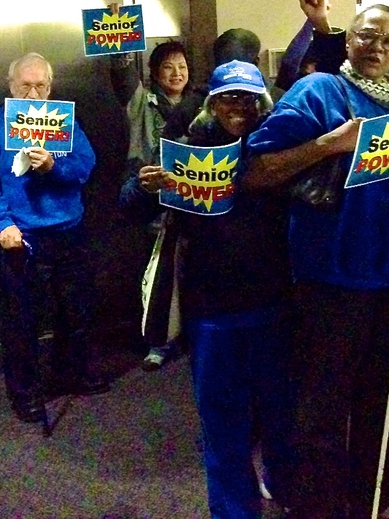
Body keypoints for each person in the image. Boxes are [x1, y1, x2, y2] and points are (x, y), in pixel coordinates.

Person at [241, 3, 389, 519]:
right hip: (329, 277)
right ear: (348, 39)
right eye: (366, 36)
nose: (376, 48)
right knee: (322, 407)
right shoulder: (319, 91)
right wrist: (329, 143)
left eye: (388, 42)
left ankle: (377, 496)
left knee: (386, 397)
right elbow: (256, 171)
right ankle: (318, 507)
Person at [131, 59, 296, 518]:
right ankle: (233, 511)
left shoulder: (276, 149)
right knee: (223, 423)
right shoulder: (184, 149)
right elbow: (127, 208)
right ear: (211, 103)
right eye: (228, 98)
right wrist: (145, 187)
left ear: (262, 103)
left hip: (273, 305)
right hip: (212, 314)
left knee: (283, 418)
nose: (237, 107)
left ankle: (285, 489)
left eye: (247, 98)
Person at [0, 52, 104, 425]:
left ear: (50, 87)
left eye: (40, 85)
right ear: (11, 87)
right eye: (25, 85)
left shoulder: (65, 122)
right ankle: (26, 393)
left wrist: (53, 166)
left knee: (75, 313)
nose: (33, 93)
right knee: (21, 323)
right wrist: (0, 224)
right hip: (21, 237)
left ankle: (72, 374)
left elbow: (85, 166)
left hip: (68, 231)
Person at [128, 39, 203, 372]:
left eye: (182, 66)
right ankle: (158, 342)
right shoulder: (145, 102)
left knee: (192, 273)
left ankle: (191, 336)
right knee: (158, 275)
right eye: (168, 67)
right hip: (155, 198)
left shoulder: (202, 104)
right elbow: (123, 80)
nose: (177, 73)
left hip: (193, 200)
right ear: (156, 72)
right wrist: (120, 47)